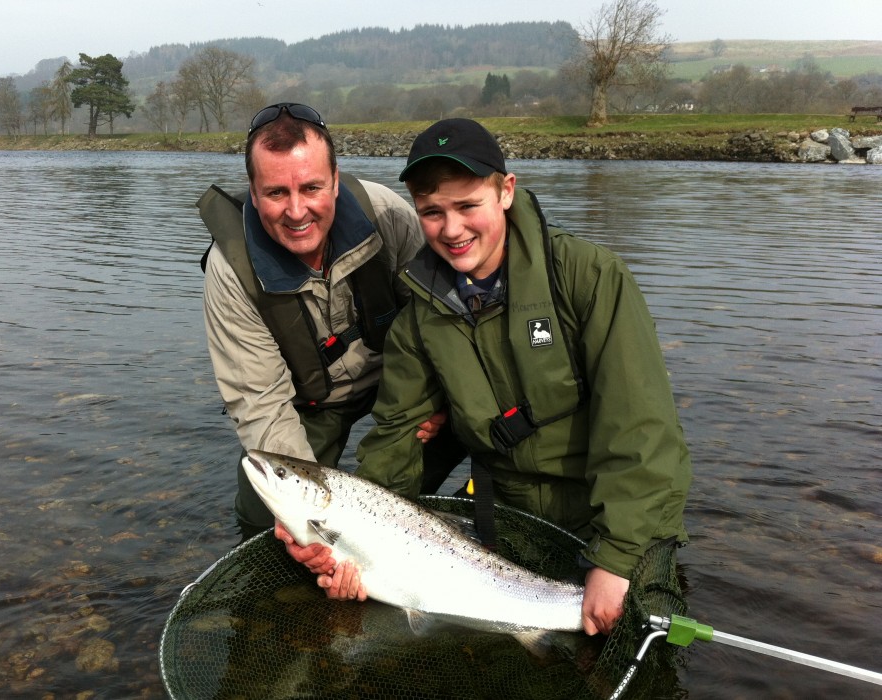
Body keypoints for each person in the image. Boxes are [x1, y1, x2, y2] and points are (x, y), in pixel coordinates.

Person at [278, 118, 692, 636]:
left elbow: (641, 432)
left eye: (468, 206)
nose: (451, 230)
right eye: (431, 212)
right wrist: (352, 546)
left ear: (506, 192)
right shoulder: (416, 322)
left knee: (629, 636)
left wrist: (615, 558)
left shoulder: (591, 278)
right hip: (512, 515)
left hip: (615, 510)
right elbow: (393, 442)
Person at [201, 103, 465, 538]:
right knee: (263, 517)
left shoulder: (384, 214)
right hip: (311, 402)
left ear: (336, 181)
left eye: (311, 188)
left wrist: (437, 399)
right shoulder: (230, 271)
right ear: (252, 190)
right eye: (276, 193)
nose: (297, 211)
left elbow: (442, 320)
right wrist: (300, 517)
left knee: (408, 479)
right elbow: (260, 403)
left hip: (398, 383)